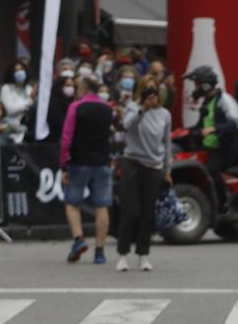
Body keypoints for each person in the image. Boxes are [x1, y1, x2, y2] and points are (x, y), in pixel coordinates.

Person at [115, 82, 172, 273]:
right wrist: (142, 109)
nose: (152, 97)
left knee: (147, 214)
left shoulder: (165, 114)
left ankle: (143, 255)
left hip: (154, 166)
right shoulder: (133, 108)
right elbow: (126, 126)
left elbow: (167, 143)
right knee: (130, 212)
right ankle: (123, 255)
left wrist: (167, 169)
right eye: (147, 92)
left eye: (154, 92)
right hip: (133, 162)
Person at [59, 74, 115, 264]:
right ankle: (100, 251)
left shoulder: (75, 107)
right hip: (101, 161)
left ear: (84, 88)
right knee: (102, 206)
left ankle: (78, 239)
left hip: (79, 161)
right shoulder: (108, 108)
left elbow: (67, 138)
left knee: (72, 202)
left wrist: (64, 164)